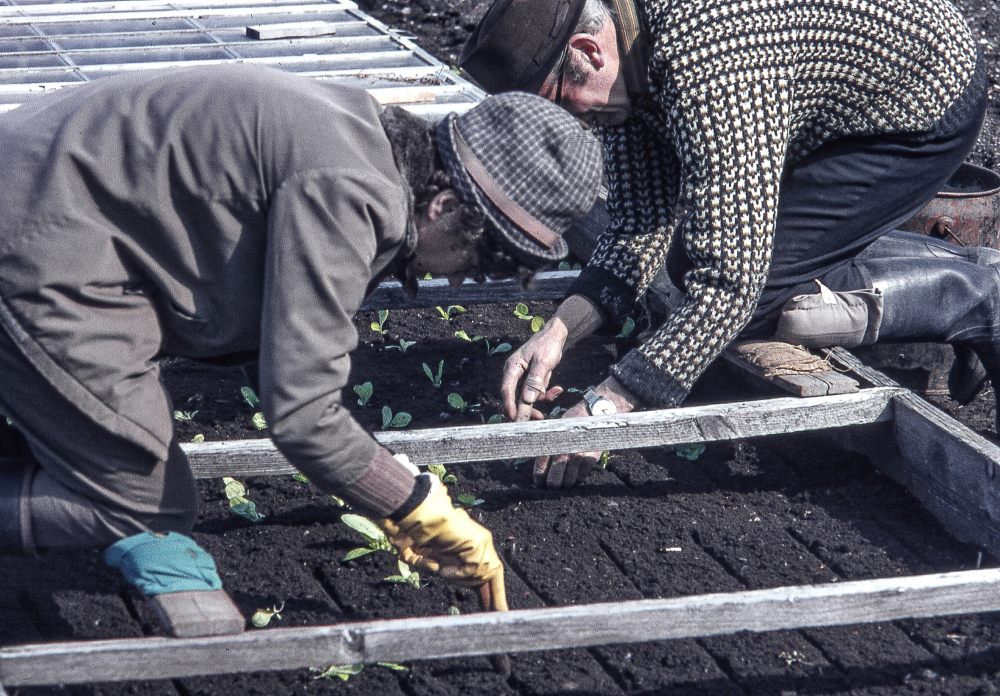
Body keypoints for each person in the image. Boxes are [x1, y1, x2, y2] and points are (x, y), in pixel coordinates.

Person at [0, 63, 603, 635]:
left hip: (57, 215)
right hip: (40, 247)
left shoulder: (362, 136)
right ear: (444, 207)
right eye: (480, 258)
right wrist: (421, 508)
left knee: (65, 437)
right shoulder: (347, 190)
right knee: (147, 504)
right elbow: (304, 417)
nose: (462, 280)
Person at [460, 0, 993, 489]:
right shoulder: (622, 70)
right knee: (690, 259)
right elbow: (637, 228)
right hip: (821, 97)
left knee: (762, 300)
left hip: (915, 97)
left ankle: (978, 293)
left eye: (556, 104)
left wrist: (609, 405)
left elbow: (733, 283)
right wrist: (557, 333)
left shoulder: (706, 64)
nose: (566, 124)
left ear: (587, 51)